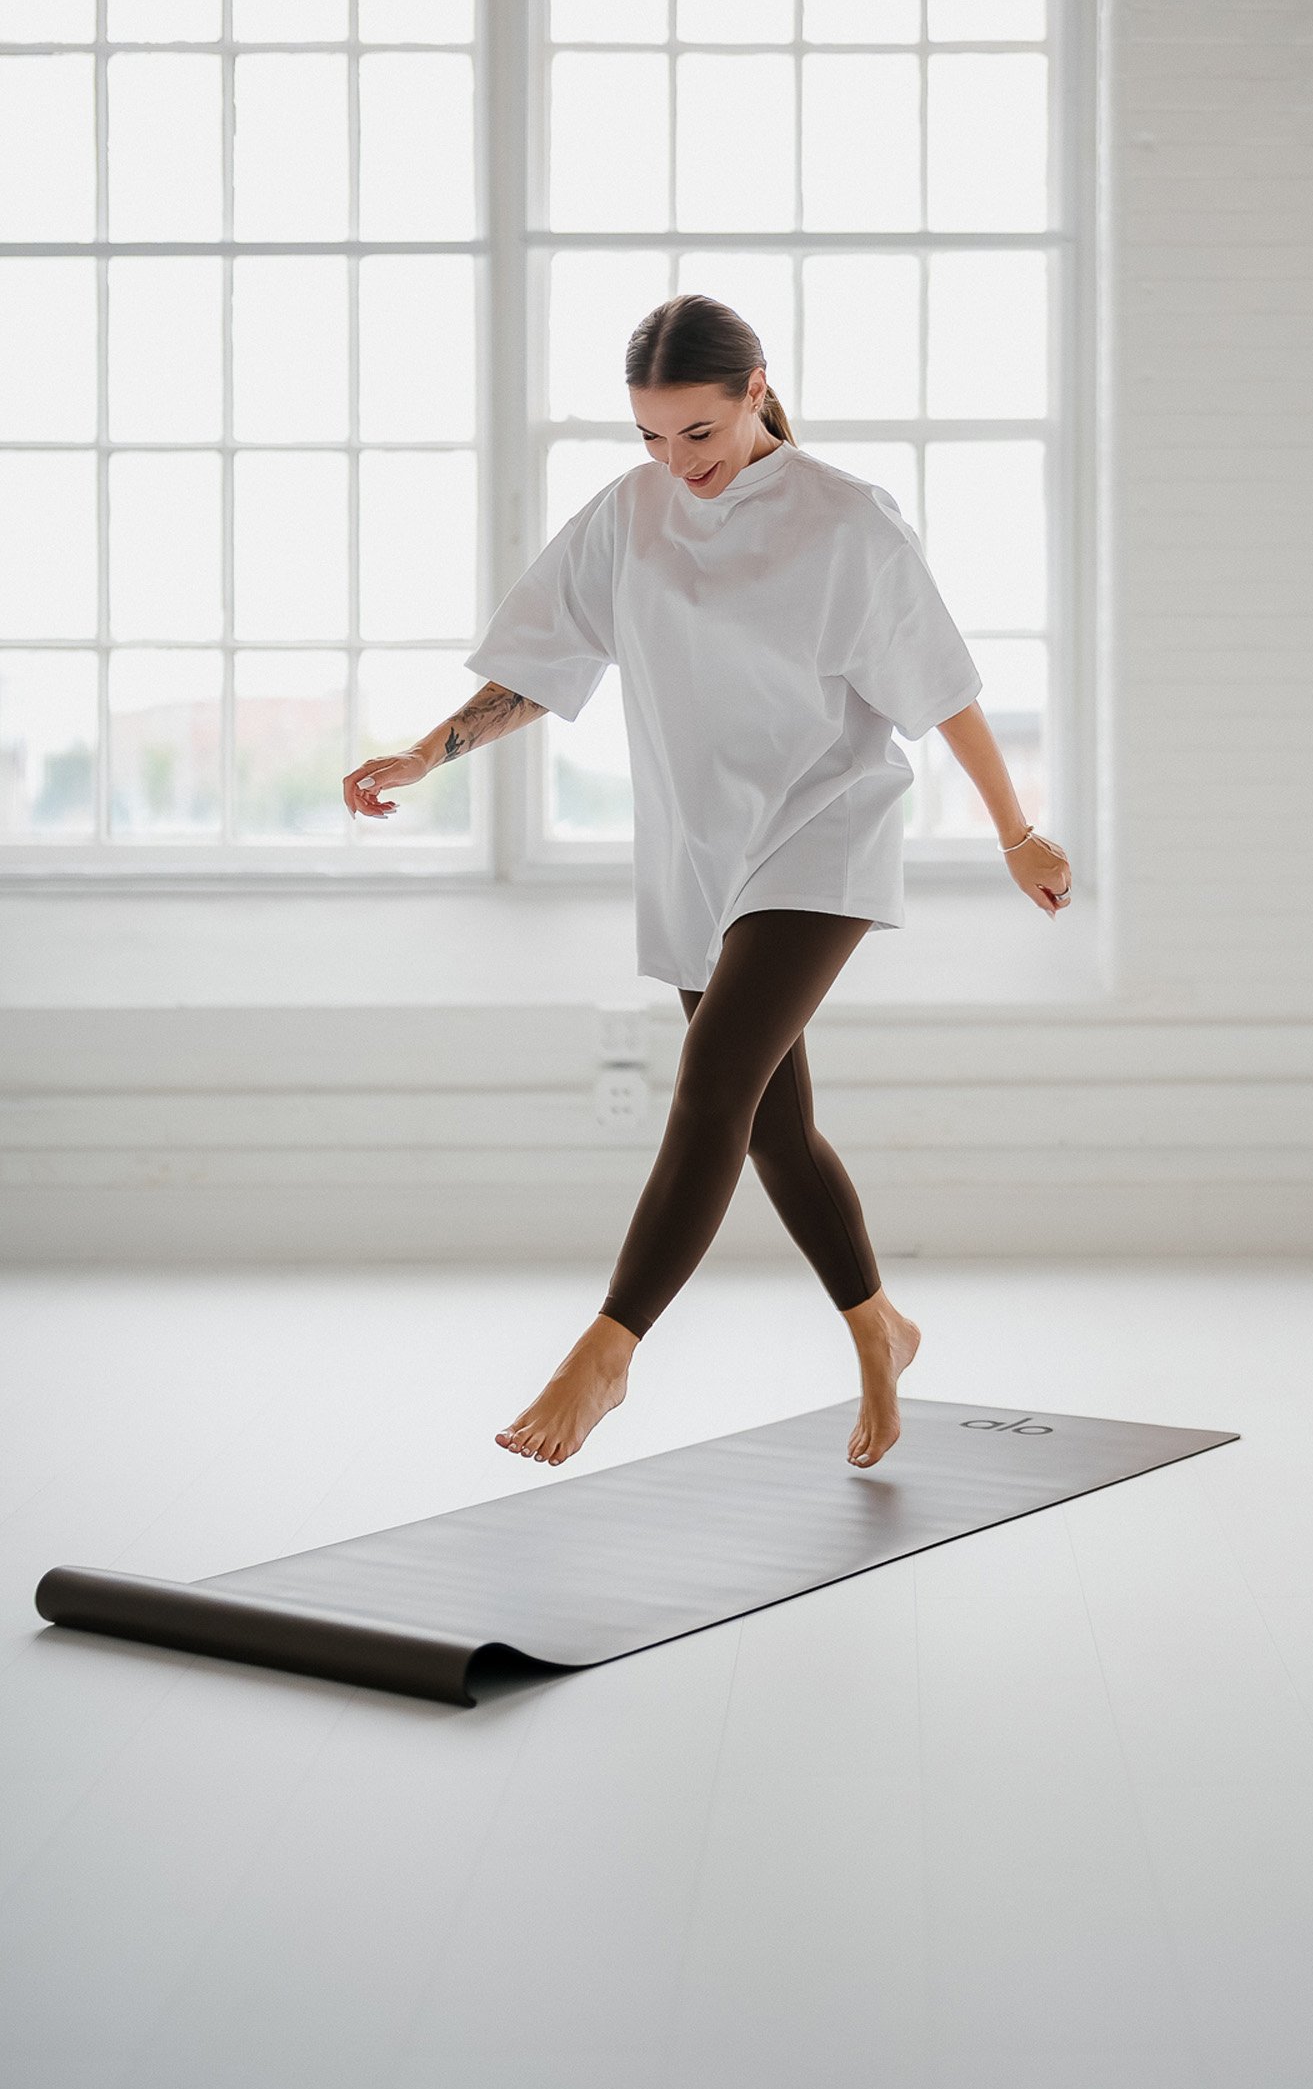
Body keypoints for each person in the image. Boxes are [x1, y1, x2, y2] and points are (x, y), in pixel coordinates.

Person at [342, 295, 1072, 1471]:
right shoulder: (630, 516)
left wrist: (1016, 832)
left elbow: (941, 690)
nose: (677, 461)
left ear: (755, 390)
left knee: (713, 1079)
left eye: (698, 431)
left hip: (822, 833)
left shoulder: (848, 522)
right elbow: (542, 661)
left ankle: (610, 1346)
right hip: (699, 852)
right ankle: (880, 1327)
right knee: (776, 1128)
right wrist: (430, 751)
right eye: (650, 436)